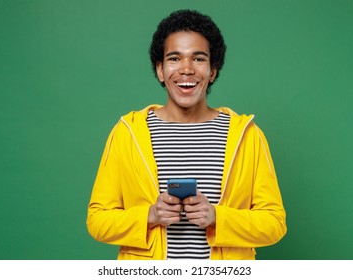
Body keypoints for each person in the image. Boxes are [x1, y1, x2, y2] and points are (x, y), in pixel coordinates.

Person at [86, 9, 287, 260]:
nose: (186, 69)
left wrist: (218, 217)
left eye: (199, 59)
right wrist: (149, 215)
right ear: (160, 70)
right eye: (174, 58)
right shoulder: (128, 132)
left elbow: (274, 223)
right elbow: (97, 220)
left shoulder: (247, 135)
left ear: (213, 70)